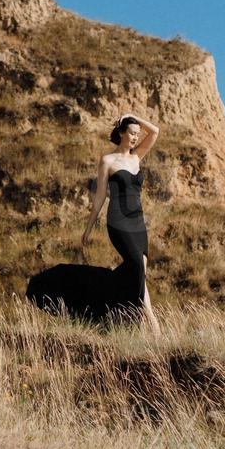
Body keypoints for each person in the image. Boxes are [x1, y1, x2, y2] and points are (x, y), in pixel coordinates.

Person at [25, 112, 161, 333]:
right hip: (119, 222)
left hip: (138, 224)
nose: (136, 138)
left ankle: (116, 314)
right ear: (121, 133)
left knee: (138, 272)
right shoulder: (107, 161)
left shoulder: (137, 157)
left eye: (138, 134)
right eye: (132, 133)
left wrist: (133, 116)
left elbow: (155, 131)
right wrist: (88, 228)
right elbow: (99, 197)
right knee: (136, 265)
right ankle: (152, 323)